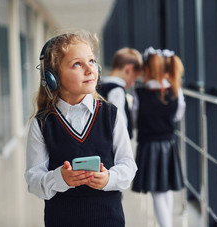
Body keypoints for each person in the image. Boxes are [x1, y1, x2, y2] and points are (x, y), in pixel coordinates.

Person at [24, 31, 137, 227]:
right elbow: (34, 180)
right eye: (77, 64)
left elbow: (128, 166)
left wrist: (108, 179)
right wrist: (60, 178)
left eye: (92, 61)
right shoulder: (42, 124)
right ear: (53, 77)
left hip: (109, 221)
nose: (89, 69)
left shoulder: (111, 115)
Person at [131, 47, 186, 227]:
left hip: (149, 145)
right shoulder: (176, 92)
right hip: (168, 144)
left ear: (147, 69)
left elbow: (135, 120)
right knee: (165, 189)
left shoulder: (140, 94)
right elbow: (177, 115)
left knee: (157, 193)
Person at [97, 47, 143, 138]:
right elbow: (120, 121)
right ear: (129, 69)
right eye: (135, 77)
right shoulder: (117, 90)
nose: (133, 83)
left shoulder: (101, 86)